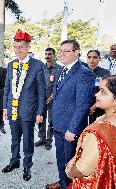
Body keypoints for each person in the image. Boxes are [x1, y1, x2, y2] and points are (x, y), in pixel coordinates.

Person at [46, 40, 94, 189]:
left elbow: (82, 105)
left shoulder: (83, 73)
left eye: (66, 51)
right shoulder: (60, 70)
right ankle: (63, 182)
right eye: (60, 51)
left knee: (70, 161)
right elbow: (58, 96)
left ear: (76, 52)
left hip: (70, 128)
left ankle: (71, 185)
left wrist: (72, 129)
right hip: (58, 124)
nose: (61, 54)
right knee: (60, 158)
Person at [2, 29, 46, 181]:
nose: (18, 50)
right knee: (14, 139)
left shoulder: (38, 65)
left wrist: (40, 112)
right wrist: (5, 108)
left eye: (21, 46)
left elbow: (42, 92)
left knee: (27, 140)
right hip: (12, 109)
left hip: (28, 110)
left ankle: (27, 166)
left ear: (28, 48)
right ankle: (14, 161)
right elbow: (7, 87)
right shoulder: (10, 65)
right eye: (15, 47)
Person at [66, 76, 116, 189]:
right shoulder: (103, 118)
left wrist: (69, 170)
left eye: (103, 92)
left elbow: (82, 170)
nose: (96, 95)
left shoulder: (99, 132)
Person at [35, 48, 61, 150]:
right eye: (46, 54)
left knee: (51, 120)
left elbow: (59, 85)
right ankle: (42, 138)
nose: (47, 56)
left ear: (54, 56)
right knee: (41, 118)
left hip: (53, 99)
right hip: (41, 98)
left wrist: (51, 97)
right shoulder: (41, 68)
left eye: (50, 54)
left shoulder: (59, 69)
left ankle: (49, 141)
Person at [87, 50, 110, 124]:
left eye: (95, 57)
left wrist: (94, 106)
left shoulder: (104, 73)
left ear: (99, 58)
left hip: (98, 107)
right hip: (82, 106)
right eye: (89, 57)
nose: (92, 60)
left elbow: (105, 91)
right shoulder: (81, 72)